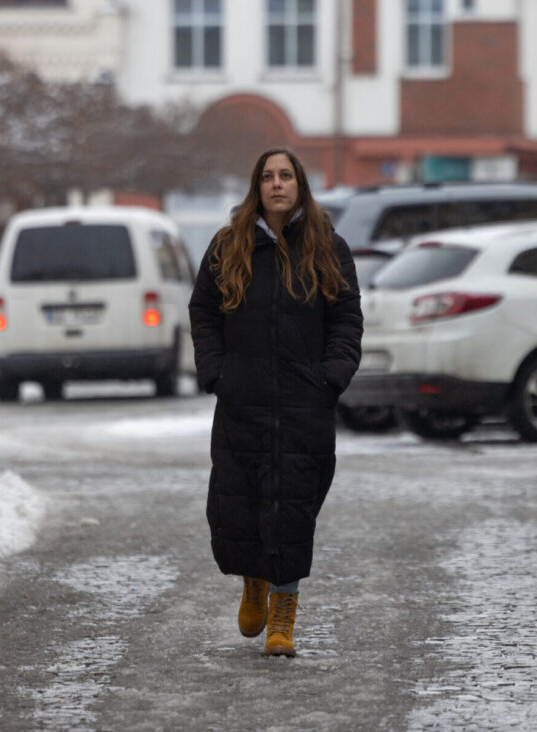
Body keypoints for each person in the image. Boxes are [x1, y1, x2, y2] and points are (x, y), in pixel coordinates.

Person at [188, 148, 363, 657]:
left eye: (286, 175)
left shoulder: (328, 247)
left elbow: (347, 319)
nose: (277, 184)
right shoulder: (229, 245)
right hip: (243, 399)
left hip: (305, 403)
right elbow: (203, 311)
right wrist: (217, 371)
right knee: (238, 500)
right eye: (268, 176)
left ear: (300, 184)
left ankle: (285, 613)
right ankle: (253, 582)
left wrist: (331, 378)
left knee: (294, 506)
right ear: (256, 186)